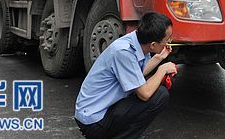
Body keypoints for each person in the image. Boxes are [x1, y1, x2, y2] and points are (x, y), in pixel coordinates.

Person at [75, 11, 177, 139]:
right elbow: (144, 94)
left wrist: (159, 58)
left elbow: (136, 74)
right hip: (94, 122)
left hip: (100, 111)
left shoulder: (137, 41)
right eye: (167, 39)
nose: (169, 41)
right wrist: (162, 69)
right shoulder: (124, 52)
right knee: (160, 95)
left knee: (153, 90)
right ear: (153, 45)